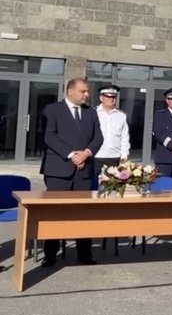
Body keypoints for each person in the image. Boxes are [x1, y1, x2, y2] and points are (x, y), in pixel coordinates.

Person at [40, 78, 104, 267]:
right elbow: (49, 136)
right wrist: (71, 155)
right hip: (58, 171)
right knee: (55, 213)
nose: (87, 95)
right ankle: (50, 254)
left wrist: (86, 153)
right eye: (83, 91)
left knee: (83, 213)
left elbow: (98, 137)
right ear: (70, 91)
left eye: (87, 91)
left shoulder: (90, 112)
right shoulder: (53, 109)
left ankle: (84, 253)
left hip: (83, 171)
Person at [94, 84, 130, 177]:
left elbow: (124, 137)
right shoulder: (93, 113)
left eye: (113, 97)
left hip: (114, 157)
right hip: (96, 156)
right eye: (108, 96)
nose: (111, 99)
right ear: (101, 98)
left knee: (112, 184)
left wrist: (124, 155)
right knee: (94, 185)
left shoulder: (121, 115)